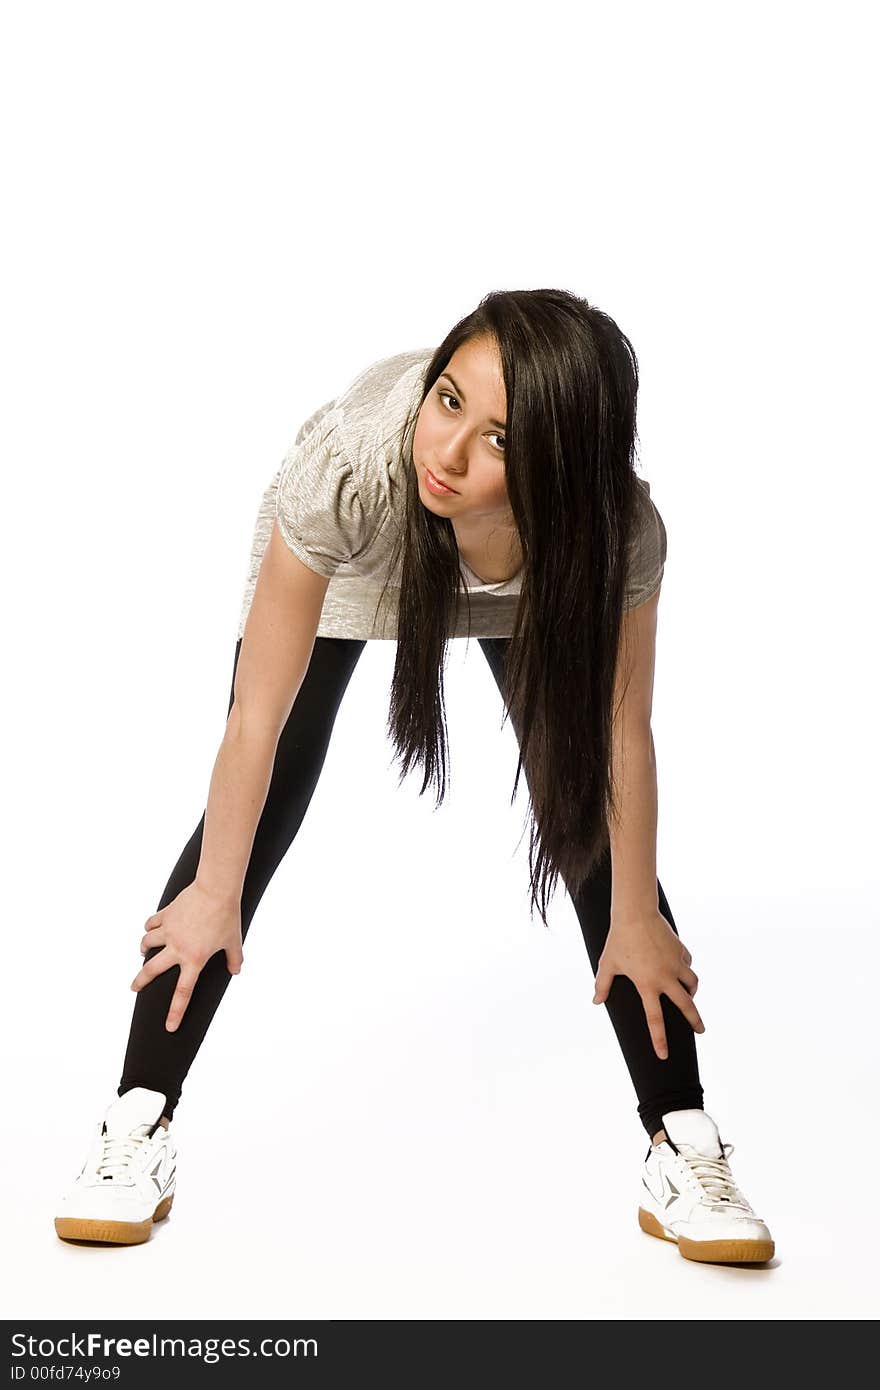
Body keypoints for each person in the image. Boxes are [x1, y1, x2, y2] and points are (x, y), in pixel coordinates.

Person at [55, 288, 775, 1264]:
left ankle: (682, 1142)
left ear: (560, 458)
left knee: (591, 830)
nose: (448, 451)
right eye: (446, 401)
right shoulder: (351, 476)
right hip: (368, 559)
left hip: (530, 561)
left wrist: (637, 918)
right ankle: (136, 1123)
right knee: (249, 830)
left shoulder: (613, 528)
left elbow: (622, 732)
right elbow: (255, 720)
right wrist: (215, 893)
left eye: (500, 439)